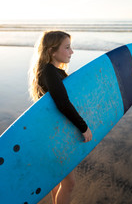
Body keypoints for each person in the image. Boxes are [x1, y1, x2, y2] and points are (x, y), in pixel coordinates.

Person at [29, 30, 92, 204]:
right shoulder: (49, 72)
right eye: (67, 47)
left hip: (51, 132)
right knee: (69, 184)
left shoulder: (52, 71)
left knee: (57, 180)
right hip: (53, 135)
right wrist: (83, 126)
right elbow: (62, 103)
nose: (72, 52)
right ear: (52, 51)